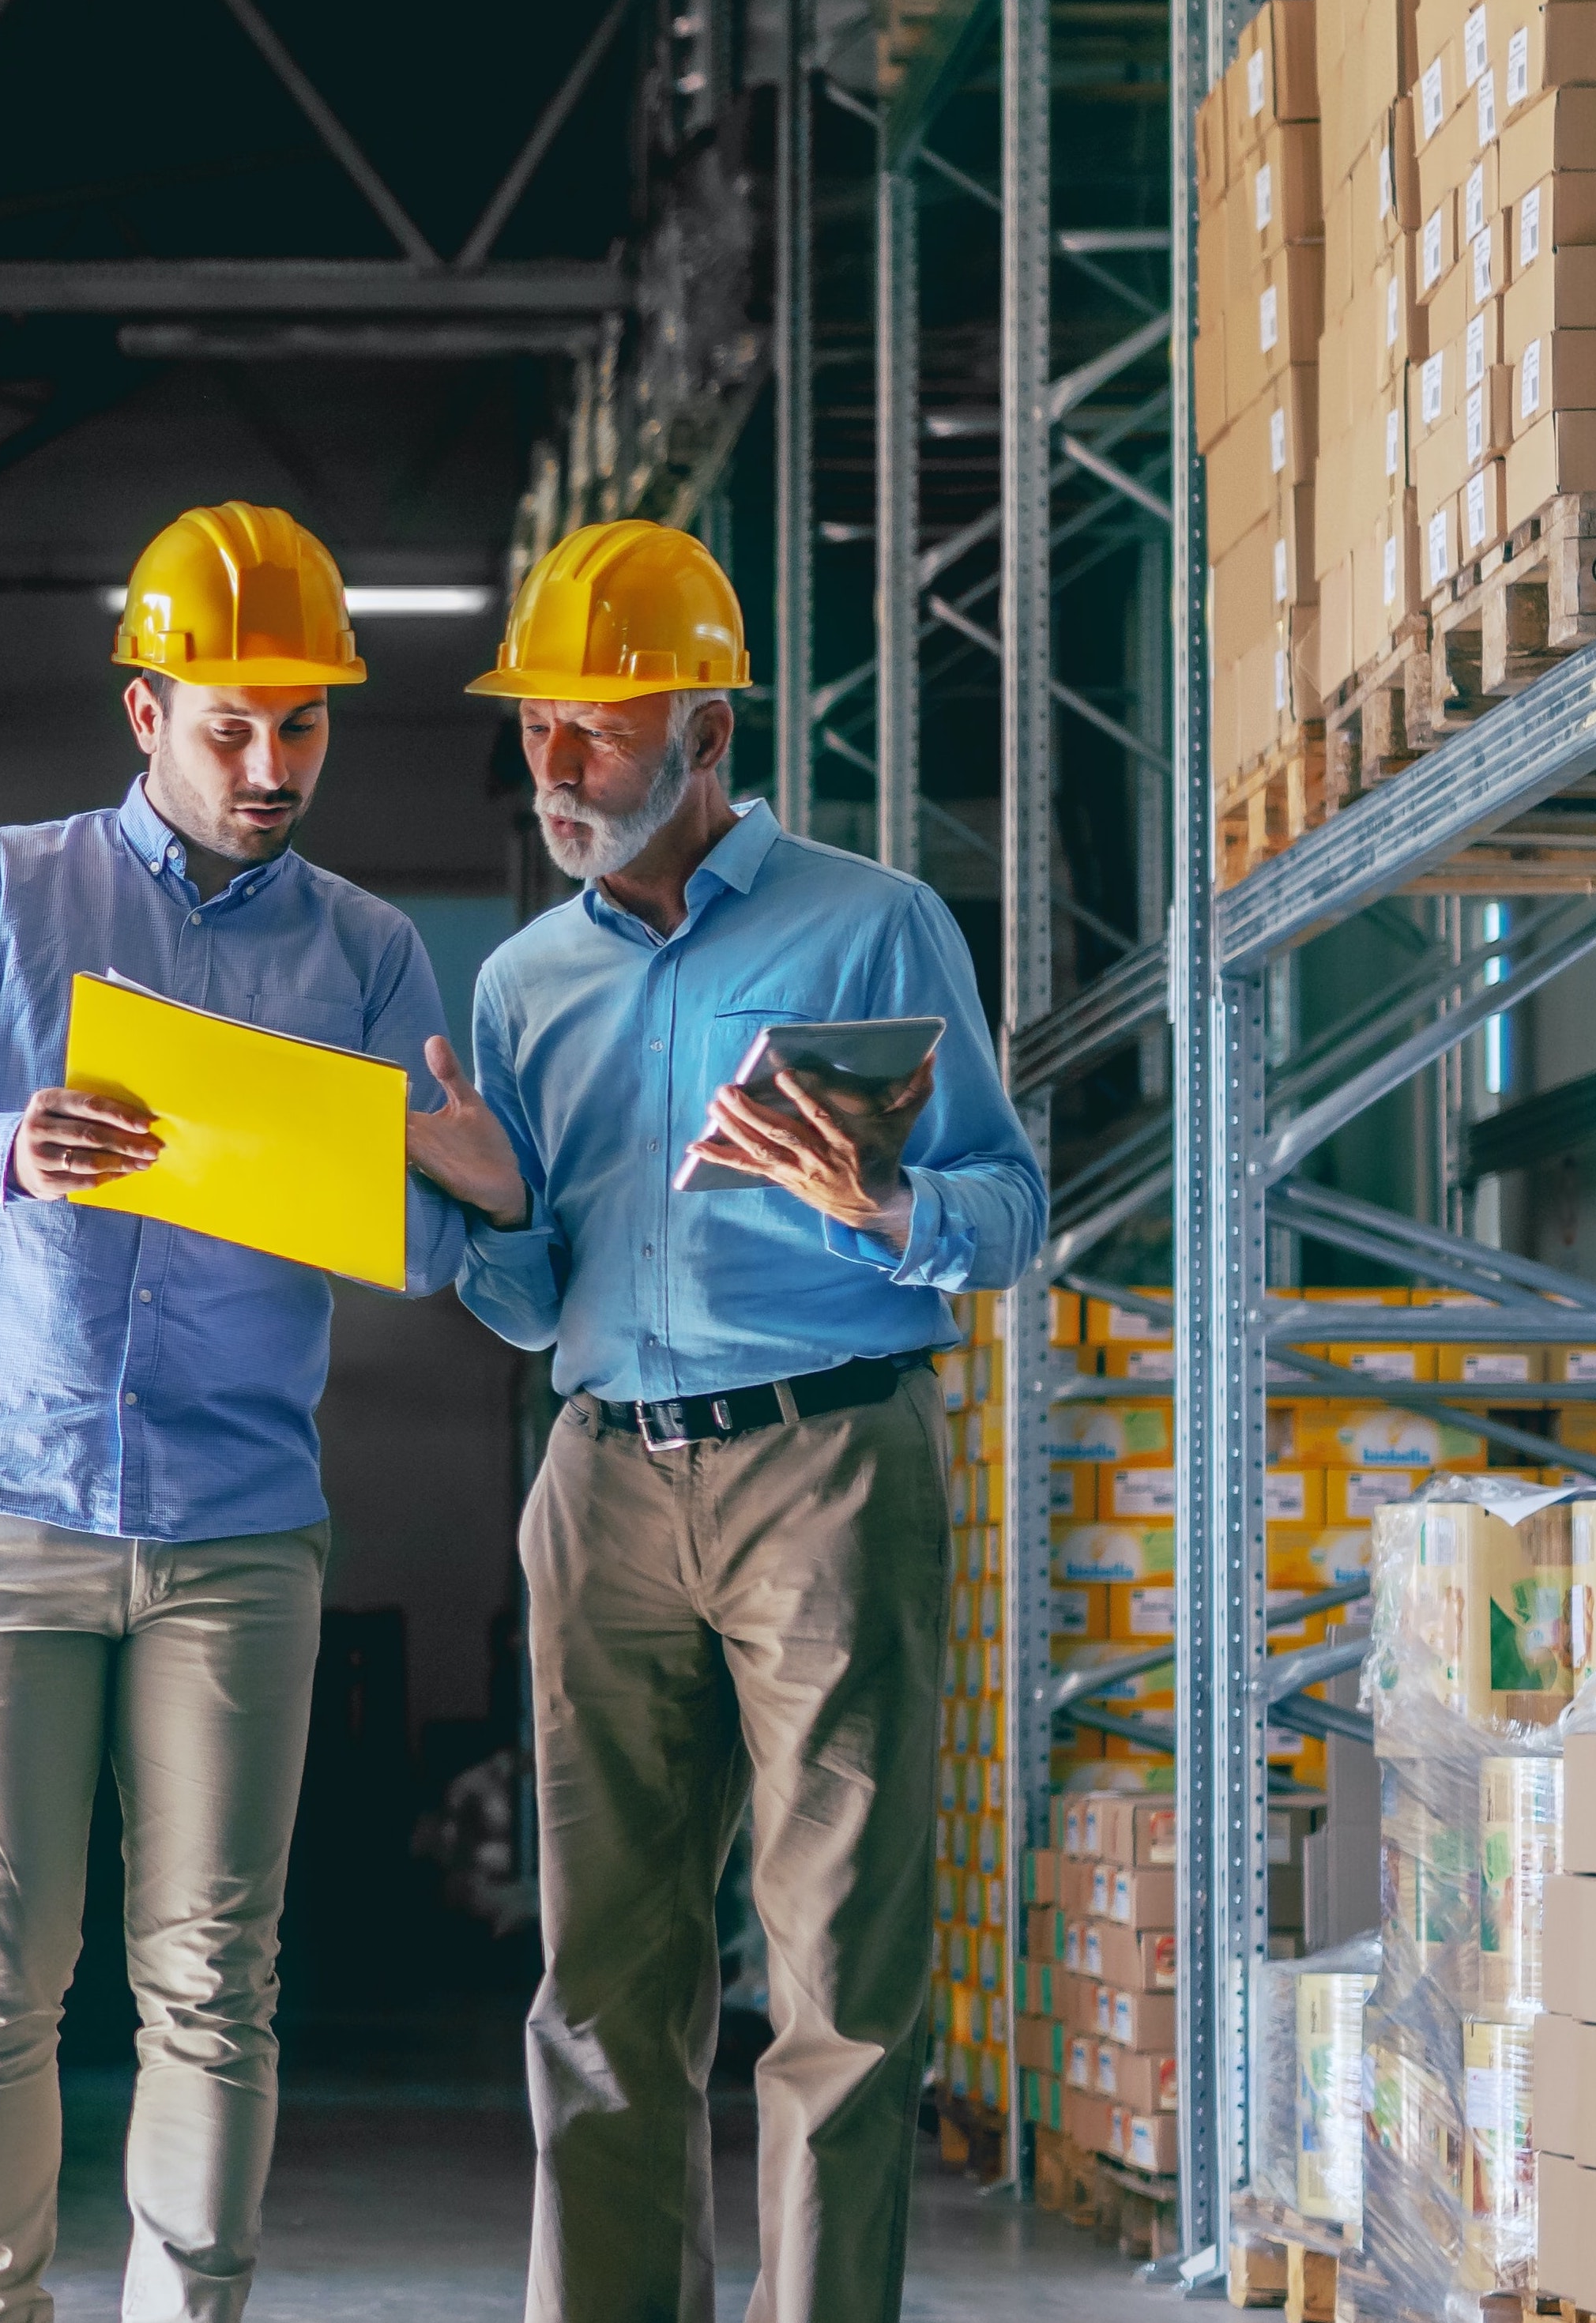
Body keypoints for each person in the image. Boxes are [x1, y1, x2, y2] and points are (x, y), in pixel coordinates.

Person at [0, 503, 478, 2323]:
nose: (274, 769)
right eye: (230, 728)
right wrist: (1, 1146)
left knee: (214, 1976)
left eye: (307, 727)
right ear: (144, 711)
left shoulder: (368, 958)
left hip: (235, 1527)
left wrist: (468, 1182)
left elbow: (422, 1256)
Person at [397, 520, 1047, 2323]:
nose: (556, 764)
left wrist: (885, 1208)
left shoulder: (874, 924)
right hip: (601, 1481)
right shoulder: (525, 986)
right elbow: (536, 1307)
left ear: (708, 738)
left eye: (596, 728)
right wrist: (481, 1212)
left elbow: (1010, 1210)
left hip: (827, 1468)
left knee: (837, 1975)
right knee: (601, 1979)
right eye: (537, 727)